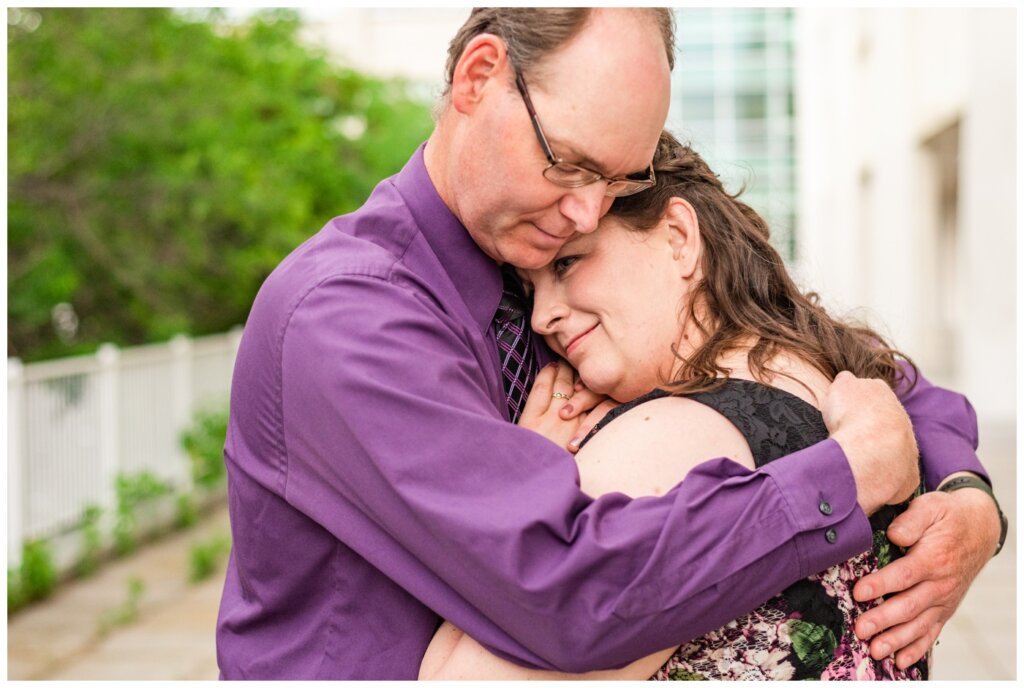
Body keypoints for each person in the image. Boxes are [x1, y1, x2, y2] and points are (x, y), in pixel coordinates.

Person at [216, 8, 1003, 679]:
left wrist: (969, 496)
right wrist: (842, 477)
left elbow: (864, 370)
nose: (588, 214)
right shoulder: (348, 315)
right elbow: (562, 585)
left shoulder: (535, 255)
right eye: (572, 165)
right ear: (478, 76)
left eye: (620, 184)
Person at [419, 132, 995, 680]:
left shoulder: (669, 437)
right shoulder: (828, 374)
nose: (543, 315)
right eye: (529, 288)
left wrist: (525, 475)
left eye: (567, 263)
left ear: (678, 237)